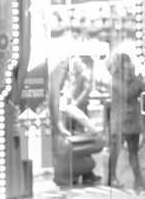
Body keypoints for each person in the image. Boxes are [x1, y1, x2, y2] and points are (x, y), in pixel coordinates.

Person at [49, 58, 103, 186]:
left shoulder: (66, 80)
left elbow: (71, 109)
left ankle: (77, 175)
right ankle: (70, 176)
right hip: (65, 126)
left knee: (81, 148)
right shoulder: (60, 78)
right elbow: (62, 106)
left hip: (68, 123)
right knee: (70, 151)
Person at [107, 53, 145, 190]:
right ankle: (111, 178)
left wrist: (136, 79)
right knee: (115, 151)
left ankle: (139, 181)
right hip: (120, 122)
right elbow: (127, 94)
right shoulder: (116, 79)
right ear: (123, 64)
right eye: (128, 62)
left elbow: (143, 86)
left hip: (133, 122)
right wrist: (137, 80)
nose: (131, 65)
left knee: (133, 152)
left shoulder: (132, 78)